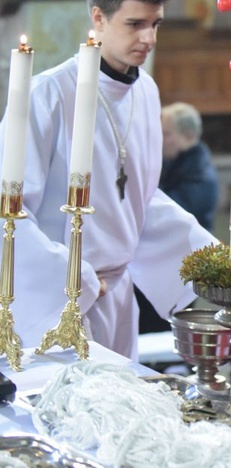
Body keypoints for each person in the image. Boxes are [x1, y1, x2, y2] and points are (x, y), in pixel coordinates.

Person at [0, 0, 217, 359]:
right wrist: (75, 282)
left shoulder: (146, 92)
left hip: (117, 295)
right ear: (98, 17)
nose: (149, 38)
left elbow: (137, 201)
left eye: (156, 24)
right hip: (62, 304)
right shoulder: (48, 94)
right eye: (135, 24)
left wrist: (207, 257)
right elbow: (9, 210)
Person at [160, 101, 219, 232]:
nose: (160, 139)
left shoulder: (201, 175)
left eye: (166, 134)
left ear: (189, 136)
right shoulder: (172, 160)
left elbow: (171, 213)